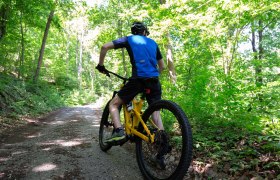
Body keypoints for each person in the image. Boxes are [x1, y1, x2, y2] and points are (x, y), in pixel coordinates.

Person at [96, 22, 165, 143]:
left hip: (138, 79)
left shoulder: (129, 39)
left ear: (133, 32)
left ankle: (118, 131)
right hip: (154, 81)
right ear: (145, 32)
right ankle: (163, 140)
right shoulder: (153, 43)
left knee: (114, 104)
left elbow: (104, 47)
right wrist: (153, 75)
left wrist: (101, 65)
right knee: (155, 112)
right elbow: (162, 67)